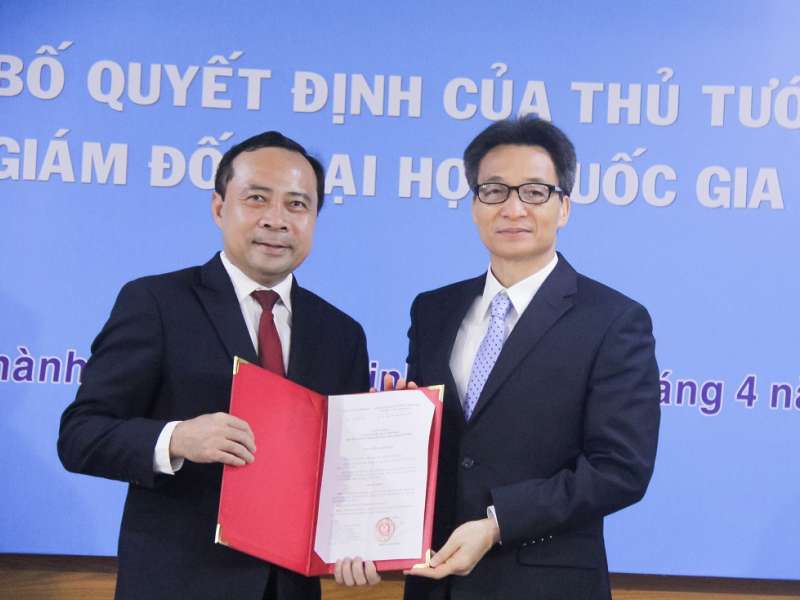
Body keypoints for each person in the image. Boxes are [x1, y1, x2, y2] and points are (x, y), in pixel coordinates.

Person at [337, 116, 660, 598]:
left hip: (544, 584)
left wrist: (497, 523)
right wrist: (400, 428)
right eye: (493, 191)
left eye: (534, 192)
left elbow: (620, 469)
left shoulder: (613, 320)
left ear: (564, 207)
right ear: (474, 205)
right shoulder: (433, 310)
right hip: (436, 580)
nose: (512, 208)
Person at [58, 131, 369, 600]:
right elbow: (80, 436)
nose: (276, 220)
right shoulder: (156, 303)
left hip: (290, 588)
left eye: (297, 205)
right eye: (257, 198)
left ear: (314, 219)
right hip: (178, 583)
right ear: (219, 208)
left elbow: (344, 471)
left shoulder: (341, 333)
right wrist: (177, 439)